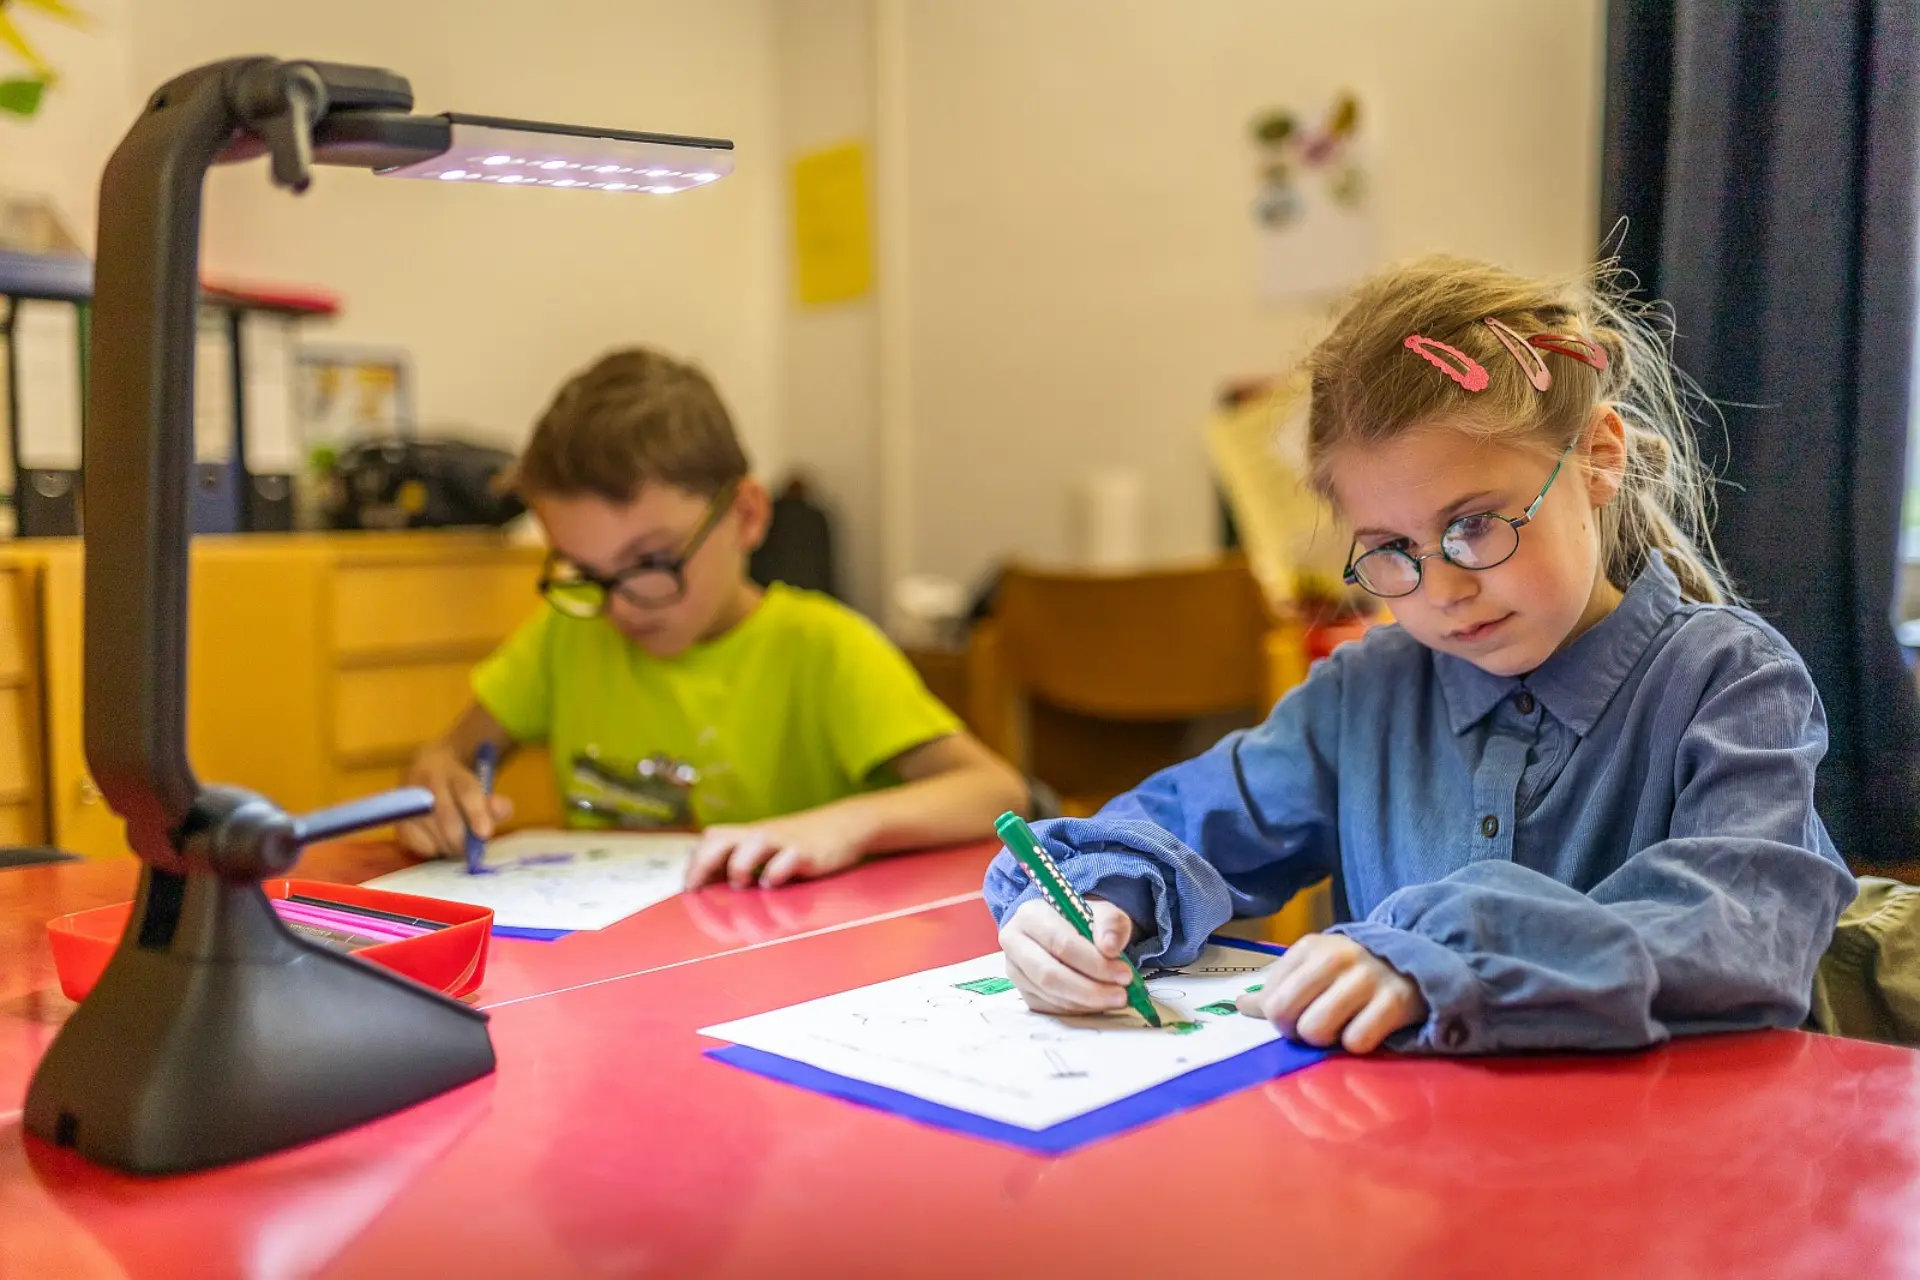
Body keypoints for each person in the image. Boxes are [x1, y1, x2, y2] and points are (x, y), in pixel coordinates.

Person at [987, 256, 1856, 1054]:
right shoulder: (1364, 695)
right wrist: (1096, 905)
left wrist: (1448, 953)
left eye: (1474, 524)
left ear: (1598, 459)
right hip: (1410, 1181)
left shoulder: (1731, 681)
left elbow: (1742, 929)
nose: (1440, 591)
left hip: (1673, 1177)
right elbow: (1178, 824)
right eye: (1391, 549)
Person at [402, 347, 1026, 888]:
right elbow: (444, 757)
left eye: (651, 560)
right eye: (586, 572)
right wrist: (437, 785)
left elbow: (995, 792)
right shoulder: (570, 634)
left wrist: (844, 825)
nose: (619, 604)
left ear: (747, 516)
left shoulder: (821, 647)